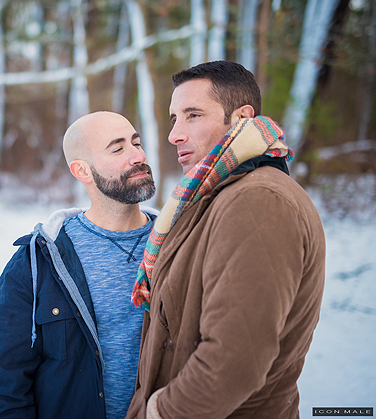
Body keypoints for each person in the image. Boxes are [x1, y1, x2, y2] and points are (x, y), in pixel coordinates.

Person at [126, 61, 326, 419]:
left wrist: (158, 412)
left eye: (193, 115)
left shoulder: (257, 200)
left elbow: (233, 360)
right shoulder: (215, 196)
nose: (175, 135)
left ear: (241, 118)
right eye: (174, 119)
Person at [0, 111, 159, 419]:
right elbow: (7, 386)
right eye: (118, 149)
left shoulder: (181, 242)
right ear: (82, 170)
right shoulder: (38, 261)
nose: (138, 156)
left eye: (136, 143)